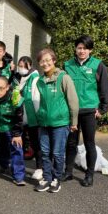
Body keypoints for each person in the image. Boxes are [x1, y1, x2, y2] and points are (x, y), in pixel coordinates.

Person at [62, 35, 108, 187]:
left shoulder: (98, 65)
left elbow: (105, 88)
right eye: (79, 48)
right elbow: (62, 88)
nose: (82, 51)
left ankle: (89, 175)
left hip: (90, 110)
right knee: (71, 143)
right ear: (75, 49)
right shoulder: (67, 65)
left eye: (85, 48)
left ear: (90, 49)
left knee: (89, 143)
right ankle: (68, 172)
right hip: (72, 111)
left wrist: (103, 109)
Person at [34, 49, 79, 193]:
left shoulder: (63, 78)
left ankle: (56, 179)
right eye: (42, 61)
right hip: (44, 123)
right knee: (45, 153)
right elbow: (41, 102)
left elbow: (73, 100)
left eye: (48, 60)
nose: (45, 63)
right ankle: (47, 178)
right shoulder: (40, 80)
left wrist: (74, 121)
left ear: (54, 60)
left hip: (60, 123)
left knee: (58, 153)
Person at [16, 56, 43, 180]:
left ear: (30, 65)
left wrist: (39, 117)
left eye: (24, 66)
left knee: (36, 143)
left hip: (33, 117)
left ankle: (40, 168)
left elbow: (36, 99)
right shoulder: (18, 78)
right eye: (20, 65)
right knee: (19, 143)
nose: (21, 68)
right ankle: (18, 167)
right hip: (21, 116)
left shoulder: (35, 78)